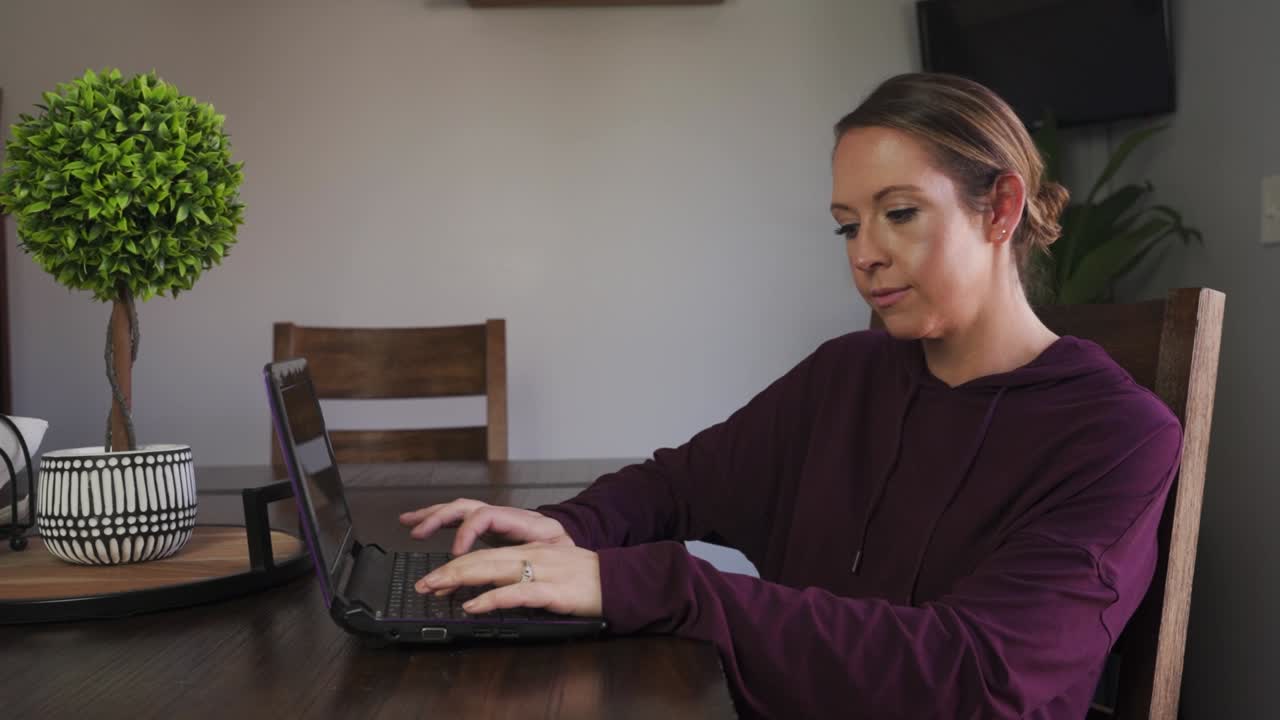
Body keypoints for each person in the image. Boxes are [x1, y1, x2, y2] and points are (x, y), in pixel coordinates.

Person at [398, 73, 1183, 719]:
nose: (865, 254)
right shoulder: (848, 373)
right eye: (848, 226)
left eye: (899, 214)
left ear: (1001, 208)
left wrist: (647, 583)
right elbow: (680, 485)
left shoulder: (1119, 435)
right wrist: (570, 528)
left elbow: (974, 675)